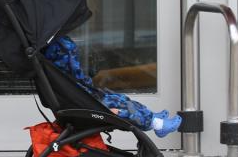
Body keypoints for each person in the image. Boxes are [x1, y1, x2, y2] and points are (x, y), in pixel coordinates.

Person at [42, 36, 182, 137]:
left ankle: (150, 115)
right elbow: (78, 76)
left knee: (120, 99)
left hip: (82, 99)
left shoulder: (52, 60)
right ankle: (156, 124)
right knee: (123, 109)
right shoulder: (62, 51)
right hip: (85, 104)